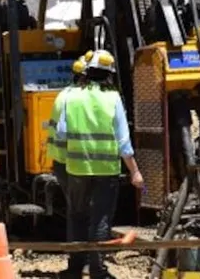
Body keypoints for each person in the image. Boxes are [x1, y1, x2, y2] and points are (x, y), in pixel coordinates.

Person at [55, 49, 144, 279]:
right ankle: (97, 270)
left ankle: (75, 268)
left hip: (76, 168)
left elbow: (62, 134)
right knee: (100, 220)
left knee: (77, 216)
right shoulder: (113, 98)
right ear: (108, 75)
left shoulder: (71, 97)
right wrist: (135, 172)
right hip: (106, 171)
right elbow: (124, 142)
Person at [46, 54, 88, 197]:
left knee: (76, 211)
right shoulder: (80, 97)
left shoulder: (64, 94)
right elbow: (63, 132)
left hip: (61, 162)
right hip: (76, 163)